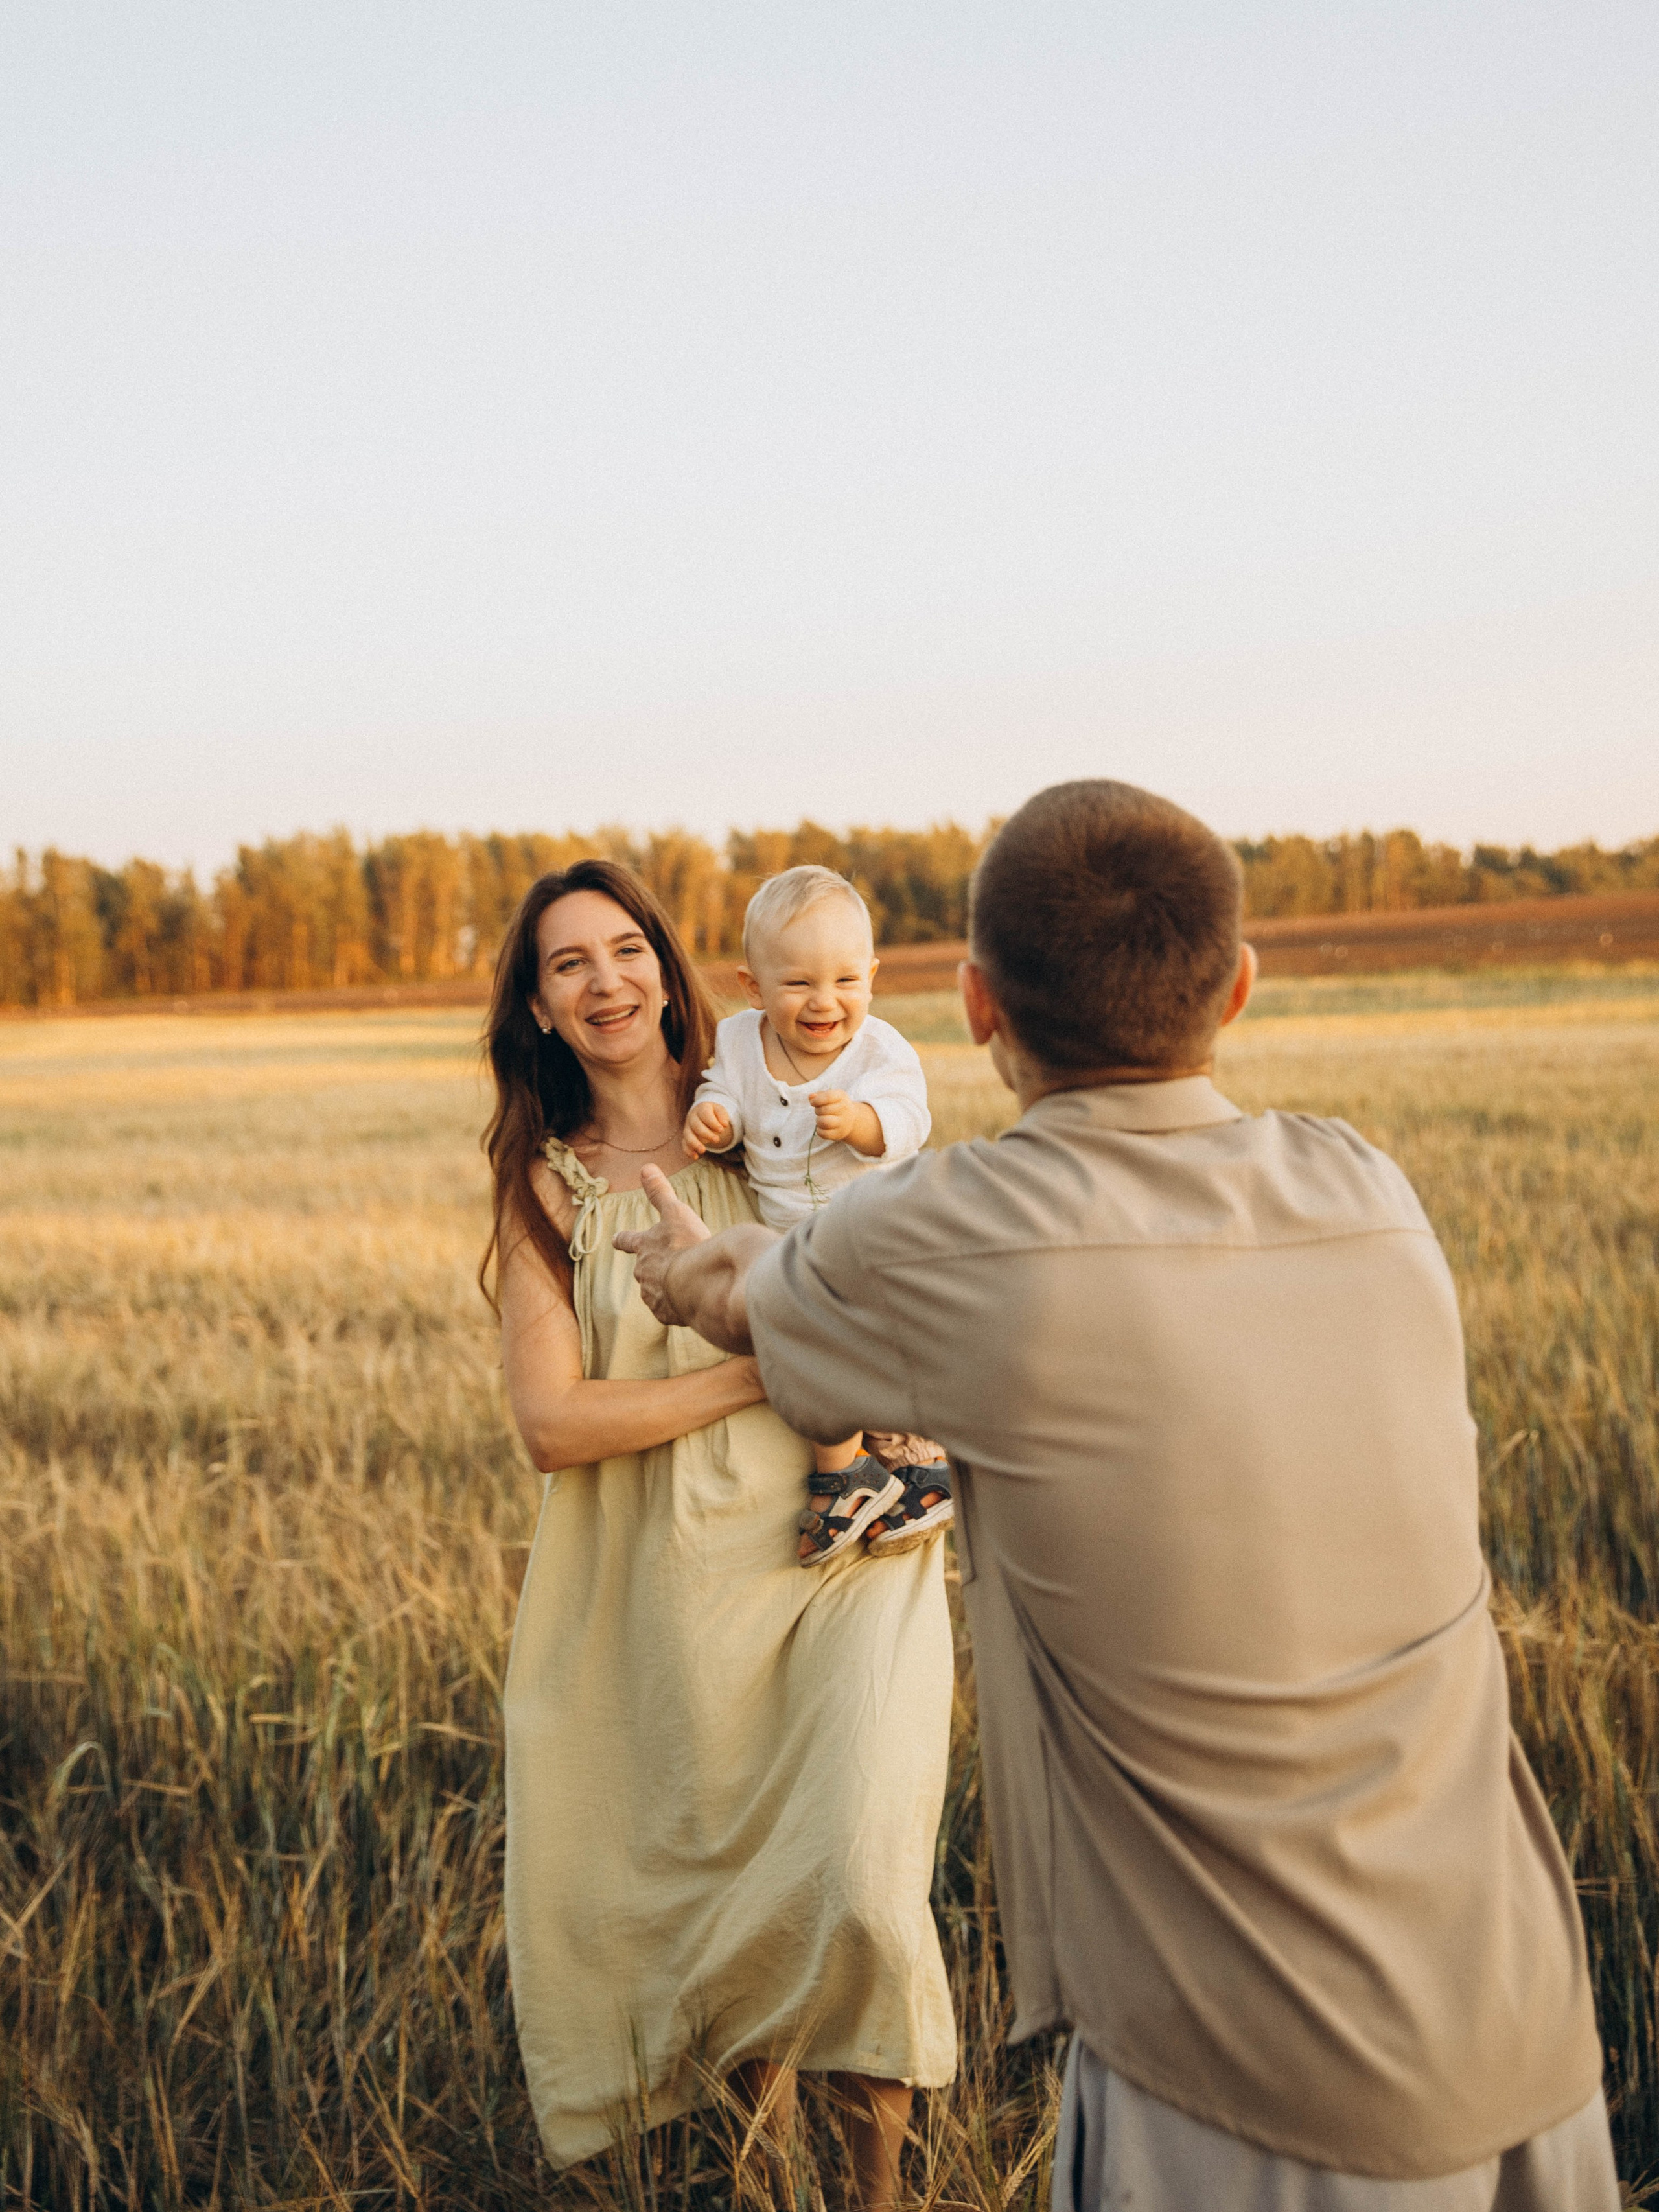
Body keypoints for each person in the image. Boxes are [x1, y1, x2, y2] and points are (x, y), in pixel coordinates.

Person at [617, 782, 1619, 2211]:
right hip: (1524, 2030)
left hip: (1237, 2080)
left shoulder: (965, 1228)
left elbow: (734, 1296)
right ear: (1239, 986)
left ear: (972, 1003)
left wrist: (669, 1265)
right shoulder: (1369, 1184)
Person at [483, 858, 955, 2207]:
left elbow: (902, 1242)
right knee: (741, 1892)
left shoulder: (763, 1101)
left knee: (861, 1875)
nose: (606, 979)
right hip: (682, 1586)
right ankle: (773, 2180)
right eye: (568, 962)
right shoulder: (546, 1182)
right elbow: (551, 1422)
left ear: (669, 966)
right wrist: (768, 1363)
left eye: (625, 947)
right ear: (537, 1006)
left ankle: (878, 2183)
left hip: (849, 1542)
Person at [683, 863, 954, 1565]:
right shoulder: (740, 1040)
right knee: (814, 1340)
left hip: (872, 1229)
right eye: (798, 983)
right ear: (753, 987)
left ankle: (852, 1475)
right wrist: (713, 1117)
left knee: (846, 1342)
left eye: (844, 981)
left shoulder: (878, 1049)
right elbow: (725, 1095)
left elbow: (908, 1120)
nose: (823, 1001)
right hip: (787, 1237)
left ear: (870, 975)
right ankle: (893, 1469)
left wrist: (860, 1121)